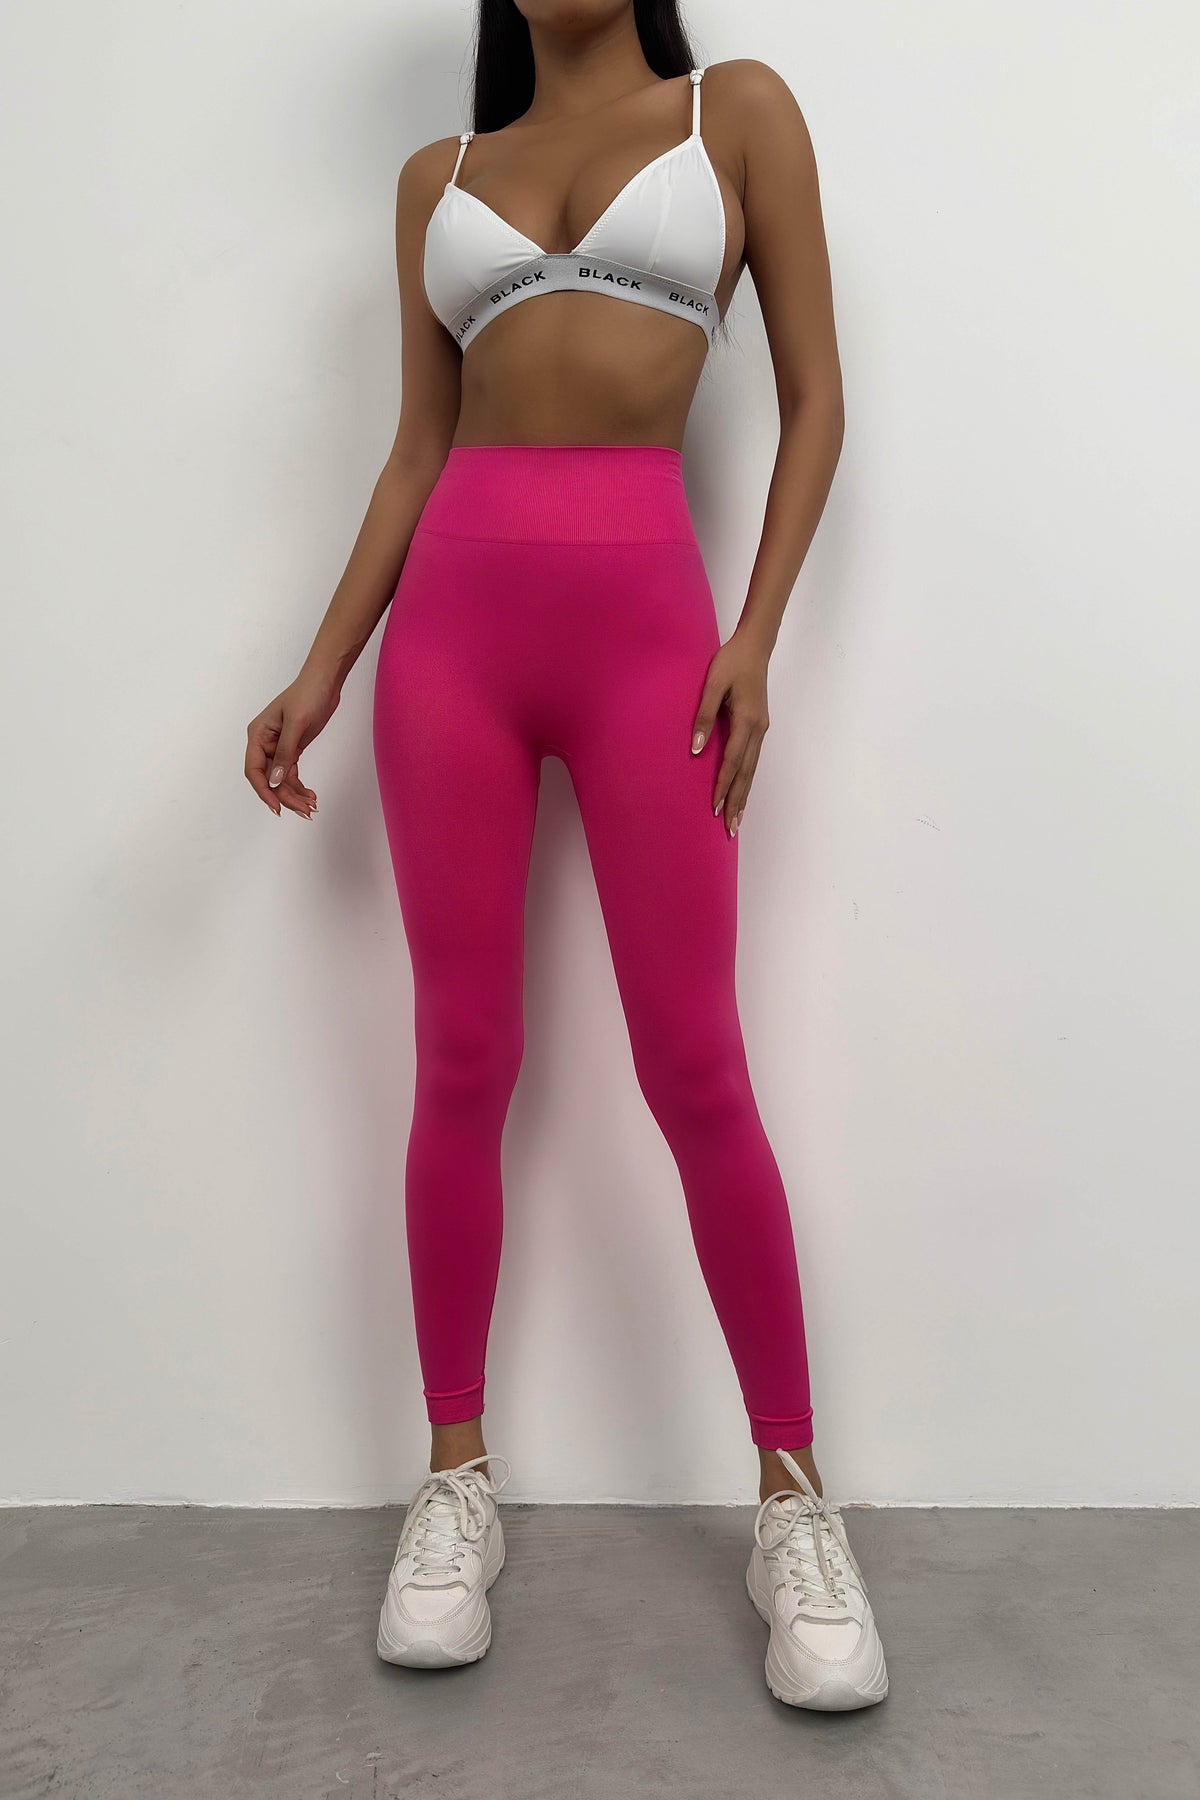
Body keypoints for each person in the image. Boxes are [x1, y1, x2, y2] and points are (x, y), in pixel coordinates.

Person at [245, 0, 887, 1713]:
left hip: (650, 646)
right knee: (462, 1058)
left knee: (697, 1066)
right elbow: (415, 449)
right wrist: (321, 672)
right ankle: (454, 1479)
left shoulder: (735, 110)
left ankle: (794, 1500)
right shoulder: (438, 175)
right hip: (450, 646)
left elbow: (817, 398)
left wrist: (757, 637)